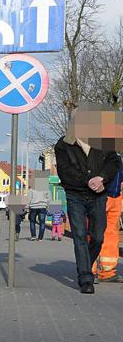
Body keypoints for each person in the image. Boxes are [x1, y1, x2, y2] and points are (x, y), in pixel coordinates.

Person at [54, 116, 122, 293]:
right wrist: (88, 181)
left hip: (98, 195)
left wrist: (102, 178)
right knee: (80, 237)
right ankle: (85, 279)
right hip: (75, 194)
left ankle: (86, 265)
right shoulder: (63, 144)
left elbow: (114, 162)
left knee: (98, 236)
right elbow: (65, 171)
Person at [93, 151, 123, 282]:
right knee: (94, 232)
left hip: (115, 196)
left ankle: (108, 271)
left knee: (111, 234)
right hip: (99, 196)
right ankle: (89, 271)